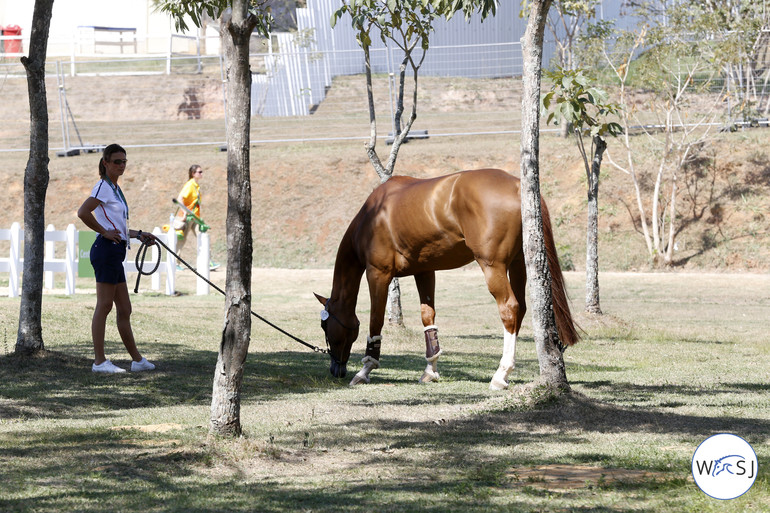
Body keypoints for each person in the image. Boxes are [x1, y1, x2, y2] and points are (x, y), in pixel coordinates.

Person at [77, 144, 157, 374]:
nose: (121, 165)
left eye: (124, 162)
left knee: (124, 308)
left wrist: (139, 234)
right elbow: (83, 212)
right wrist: (103, 232)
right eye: (116, 162)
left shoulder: (114, 188)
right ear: (105, 163)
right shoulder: (103, 186)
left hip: (115, 250)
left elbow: (118, 226)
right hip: (106, 250)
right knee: (104, 305)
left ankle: (137, 360)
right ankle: (99, 362)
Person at [173, 164, 219, 270]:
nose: (201, 173)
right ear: (193, 174)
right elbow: (180, 198)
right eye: (199, 172)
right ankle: (175, 263)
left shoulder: (196, 186)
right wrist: (184, 212)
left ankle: (208, 261)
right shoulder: (190, 185)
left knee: (203, 237)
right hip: (187, 217)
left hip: (195, 218)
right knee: (181, 240)